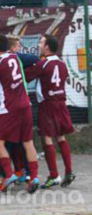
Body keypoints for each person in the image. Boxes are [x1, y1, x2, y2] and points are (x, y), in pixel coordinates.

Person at [0, 34, 41, 193]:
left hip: (9, 108)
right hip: (26, 105)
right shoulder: (15, 58)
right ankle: (34, 177)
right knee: (28, 142)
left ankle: (9, 174)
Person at [24, 34, 76, 189]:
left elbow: (26, 76)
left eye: (41, 42)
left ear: (47, 47)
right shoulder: (61, 63)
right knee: (61, 136)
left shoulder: (44, 63)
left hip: (48, 104)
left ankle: (54, 175)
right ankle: (69, 171)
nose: (39, 44)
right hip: (61, 102)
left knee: (46, 138)